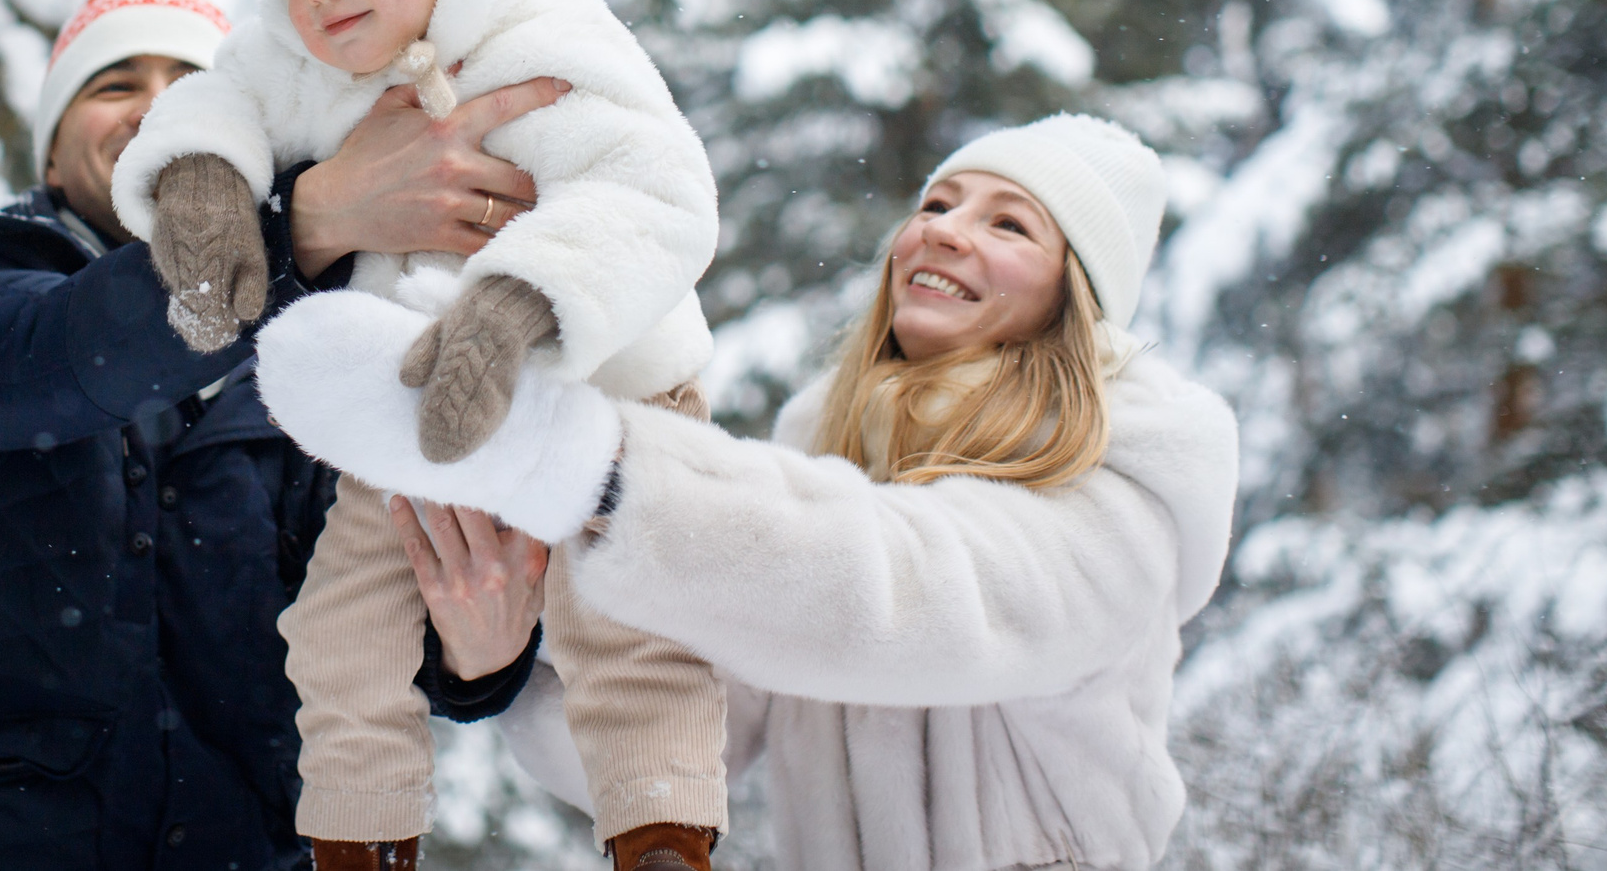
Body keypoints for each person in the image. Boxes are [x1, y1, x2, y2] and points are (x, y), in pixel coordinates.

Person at [110, 0, 729, 871]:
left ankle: (659, 835)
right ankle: (359, 842)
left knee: (633, 624)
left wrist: (516, 304)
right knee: (336, 634)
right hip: (406, 416)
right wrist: (199, 182)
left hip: (608, 395)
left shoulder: (547, 40)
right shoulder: (302, 72)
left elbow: (655, 192)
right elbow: (215, 95)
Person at [273, 113, 1242, 871]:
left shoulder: (1119, 489)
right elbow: (695, 729)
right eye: (938, 204)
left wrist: (590, 463)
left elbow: (913, 593)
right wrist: (507, 663)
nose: (944, 233)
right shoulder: (834, 460)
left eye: (1008, 223)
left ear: (1073, 296)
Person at [0, 0, 558, 871]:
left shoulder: (320, 347)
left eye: (190, 82)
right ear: (56, 160)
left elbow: (366, 600)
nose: (155, 106)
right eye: (114, 83)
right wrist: (310, 224)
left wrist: (479, 652)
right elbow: (74, 354)